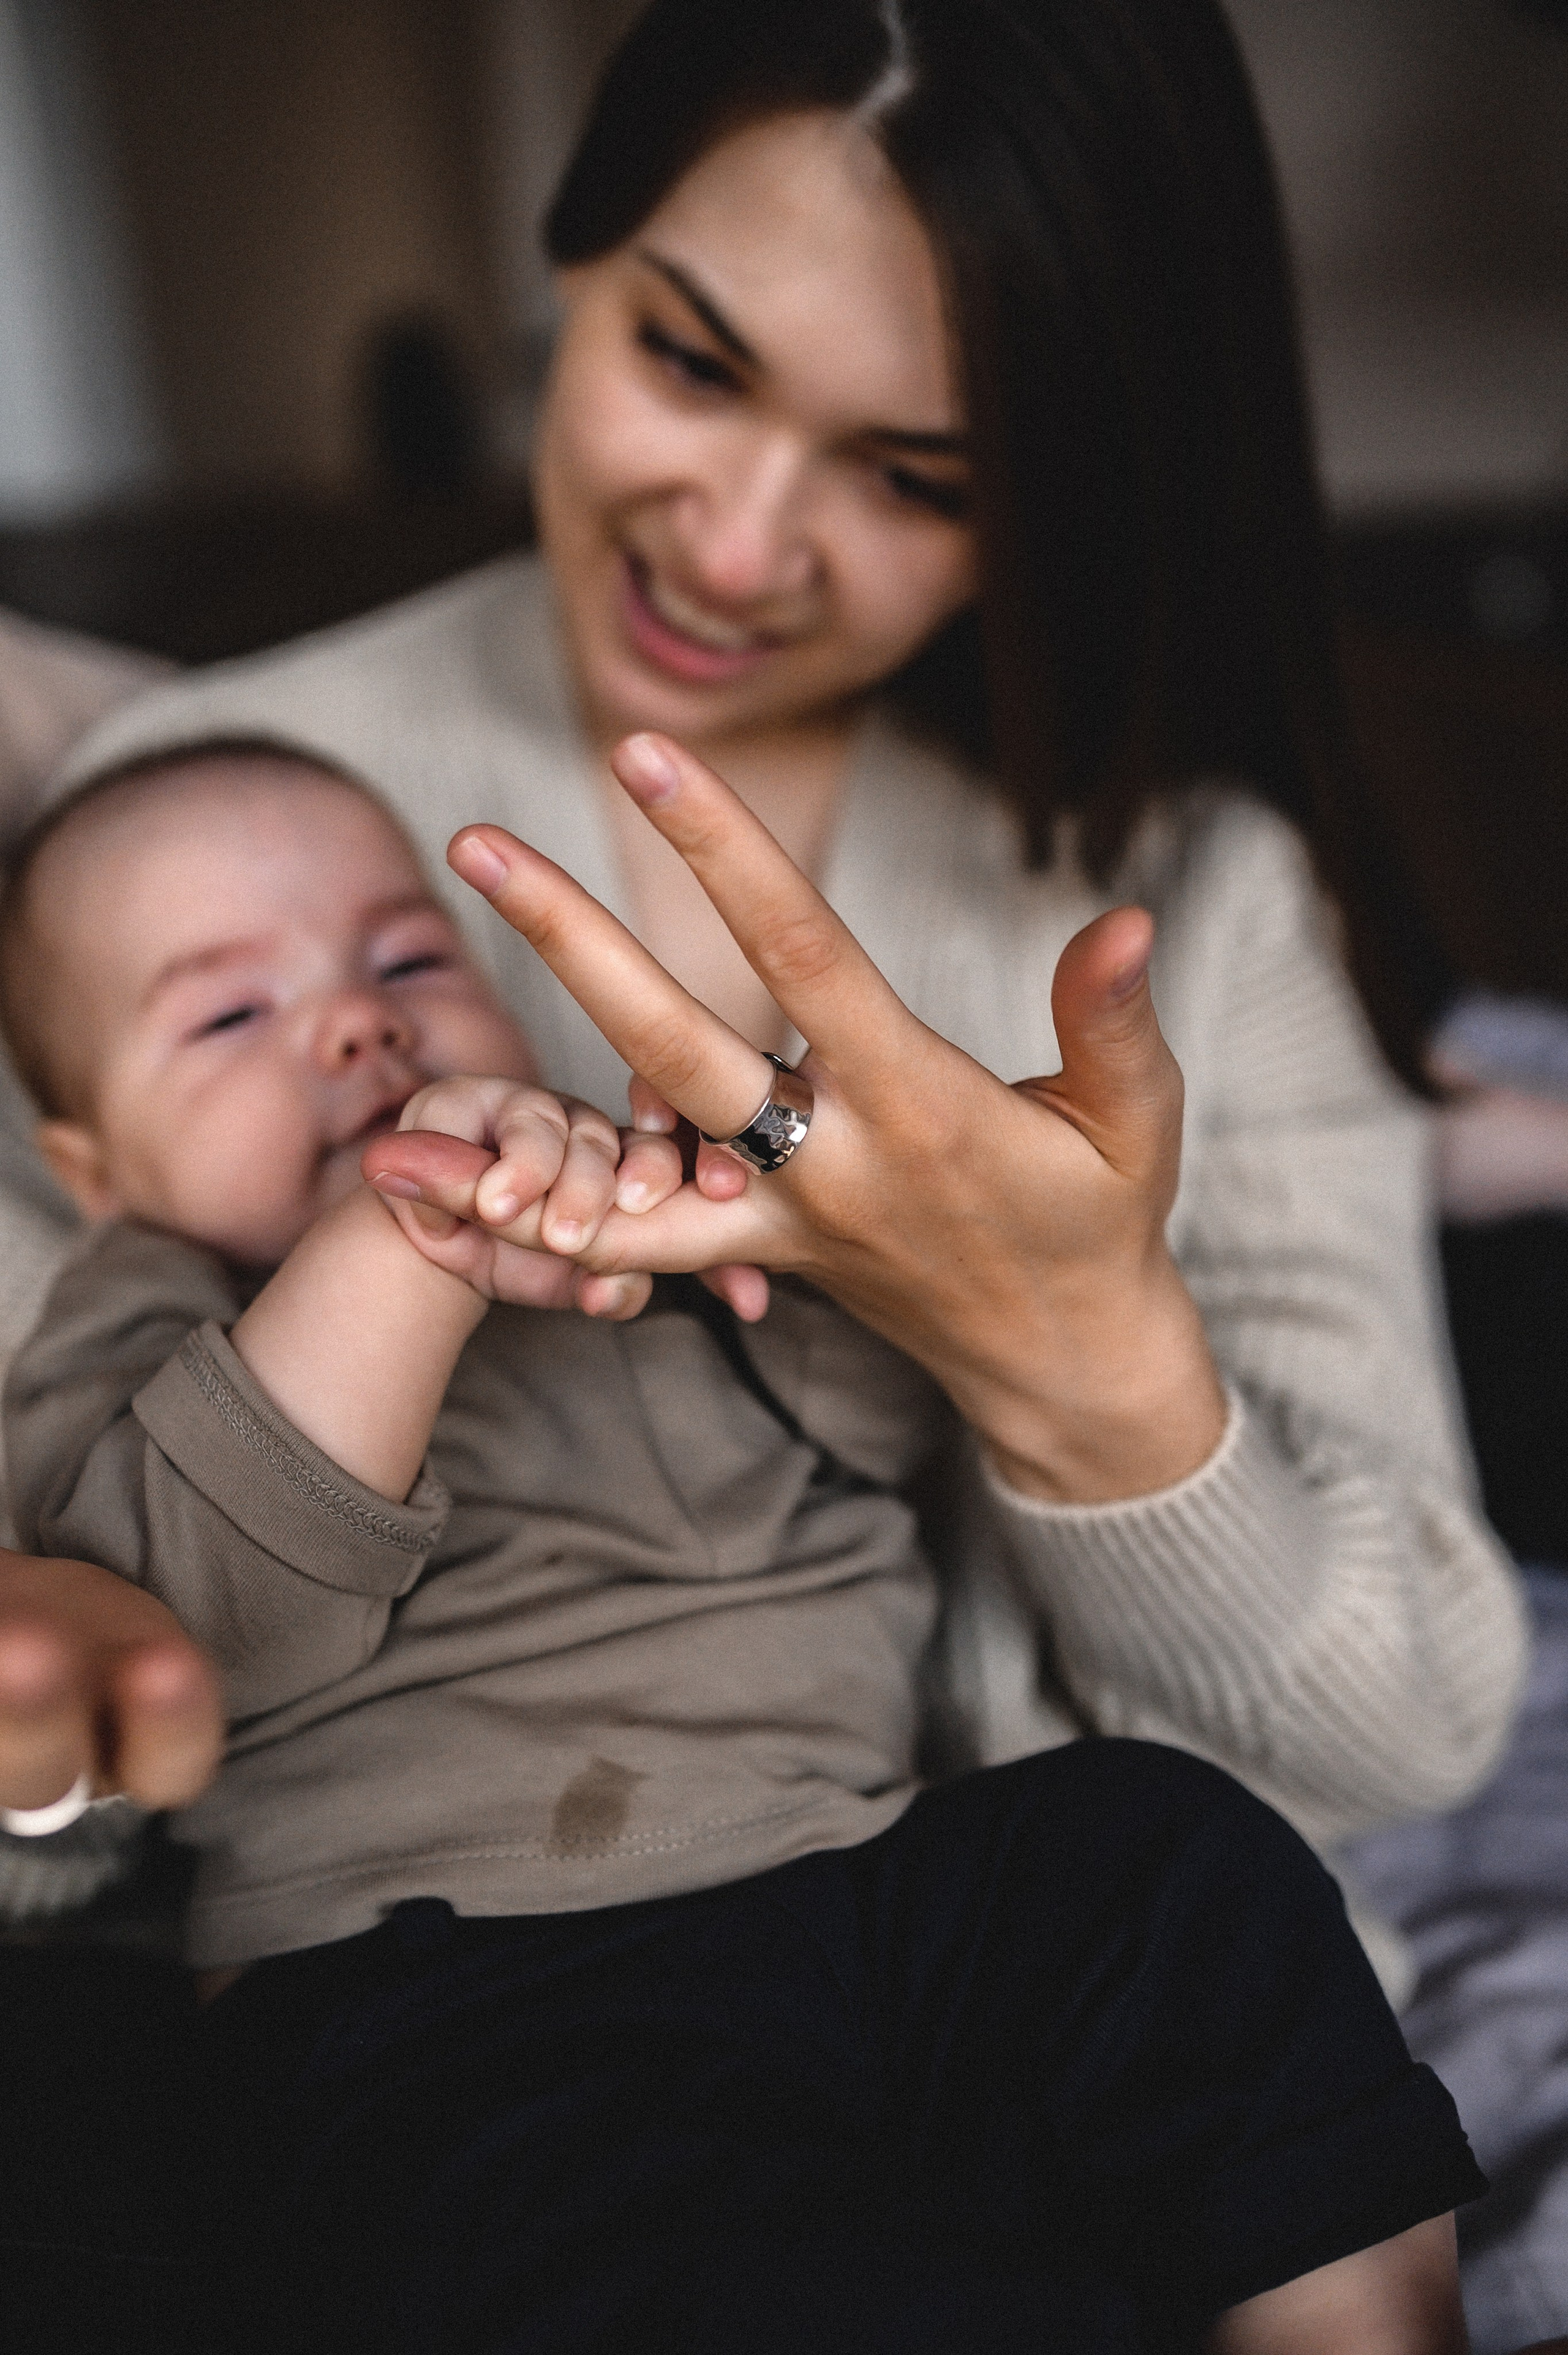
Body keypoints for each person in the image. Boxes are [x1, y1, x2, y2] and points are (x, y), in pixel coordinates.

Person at [0, 0, 1532, 2335]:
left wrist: (1077, 1361)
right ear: (570, 254)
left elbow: (1402, 1732)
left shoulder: (1188, 899)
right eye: (689, 359)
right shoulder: (203, 832)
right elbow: (84, 1722)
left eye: (918, 474)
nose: (735, 546)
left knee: (1172, 1880)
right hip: (464, 1975)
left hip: (940, 1913)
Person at [0, 741, 1491, 2351]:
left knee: (1157, 1846)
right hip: (442, 1988)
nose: (359, 1023)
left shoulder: (646, 1214)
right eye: (228, 1013)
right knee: (700, 2267)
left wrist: (895, 1208)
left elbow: (902, 1398)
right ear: (90, 1166)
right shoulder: (133, 1317)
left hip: (860, 1874)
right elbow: (195, 1628)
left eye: (408, 956)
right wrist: (407, 1237)